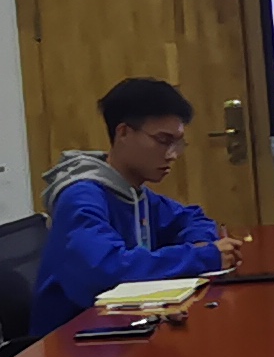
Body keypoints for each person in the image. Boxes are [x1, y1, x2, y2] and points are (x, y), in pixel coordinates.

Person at [31, 77, 232, 336]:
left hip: (122, 325)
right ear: (123, 132)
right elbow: (106, 271)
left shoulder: (134, 193)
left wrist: (200, 244)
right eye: (163, 140)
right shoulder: (81, 197)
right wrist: (201, 257)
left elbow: (190, 218)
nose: (172, 154)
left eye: (178, 143)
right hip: (73, 339)